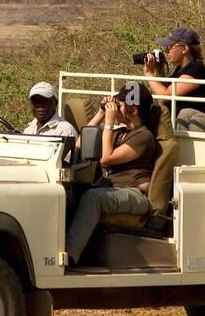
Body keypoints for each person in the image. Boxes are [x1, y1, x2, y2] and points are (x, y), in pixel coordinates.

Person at [65, 82, 160, 266]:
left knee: (93, 198)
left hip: (134, 193)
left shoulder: (144, 137)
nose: (115, 109)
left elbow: (106, 158)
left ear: (133, 110)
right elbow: (80, 145)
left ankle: (69, 257)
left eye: (120, 105)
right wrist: (101, 115)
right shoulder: (119, 133)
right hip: (110, 189)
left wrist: (109, 124)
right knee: (68, 190)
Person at [142, 26, 205, 112]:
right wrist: (159, 71)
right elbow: (161, 98)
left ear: (185, 49)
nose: (166, 51)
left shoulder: (196, 70)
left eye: (169, 47)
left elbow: (166, 96)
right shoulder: (181, 69)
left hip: (188, 122)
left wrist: (148, 73)